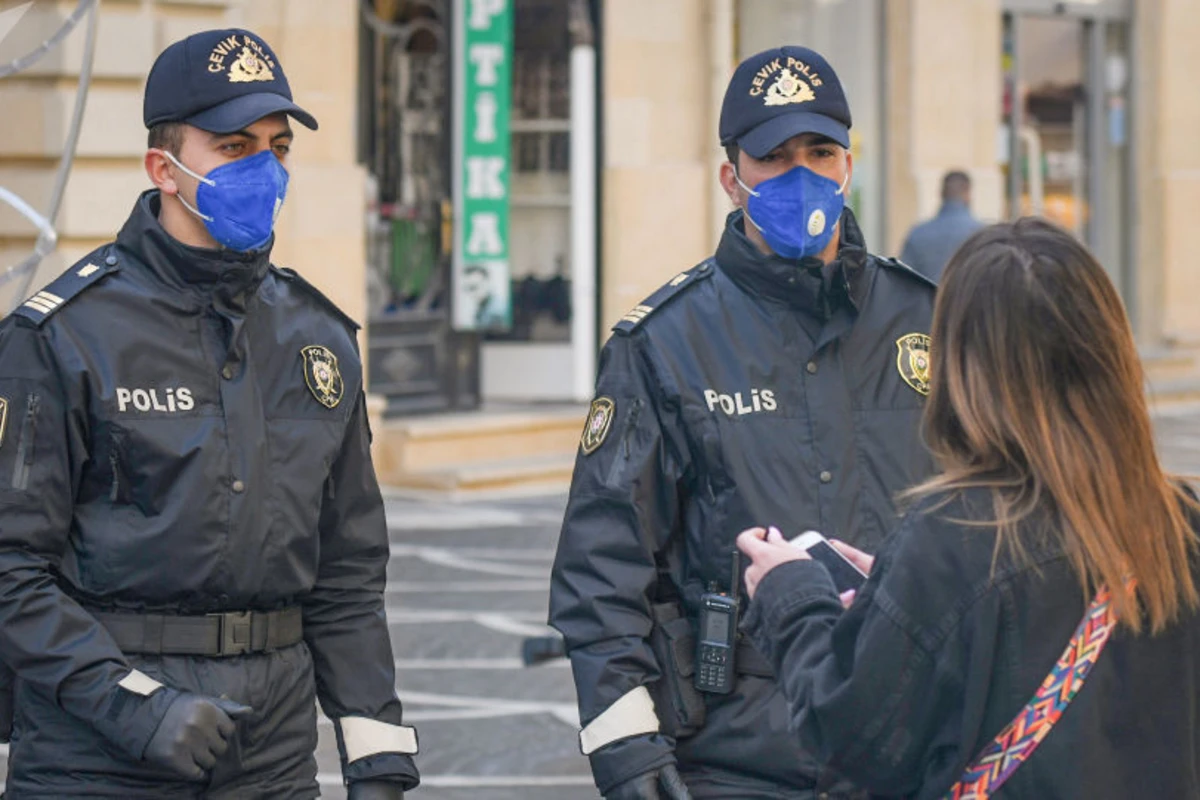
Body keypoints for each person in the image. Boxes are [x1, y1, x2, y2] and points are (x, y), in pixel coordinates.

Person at [0, 29, 419, 799]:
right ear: (165, 167)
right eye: (234, 147)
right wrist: (133, 706)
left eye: (278, 146)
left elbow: (349, 567)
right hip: (98, 755)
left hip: (273, 753)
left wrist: (374, 744)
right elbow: (10, 568)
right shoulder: (61, 337)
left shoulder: (318, 338)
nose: (264, 168)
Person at [550, 46, 938, 799]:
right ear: (733, 179)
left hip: (907, 743)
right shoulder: (664, 342)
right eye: (775, 157)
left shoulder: (926, 318)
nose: (802, 176)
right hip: (739, 758)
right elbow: (603, 568)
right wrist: (627, 748)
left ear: (848, 165)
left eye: (819, 152)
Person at [737, 217, 1200, 799]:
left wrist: (791, 594)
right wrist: (896, 588)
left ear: (961, 363)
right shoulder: (1181, 523)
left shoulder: (955, 537)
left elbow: (849, 734)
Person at [898, 170, 984, 280]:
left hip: (926, 296)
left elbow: (903, 277)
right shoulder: (980, 234)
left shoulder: (918, 233)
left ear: (941, 193)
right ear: (968, 193)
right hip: (965, 296)